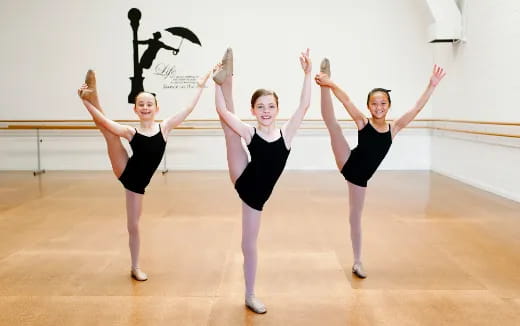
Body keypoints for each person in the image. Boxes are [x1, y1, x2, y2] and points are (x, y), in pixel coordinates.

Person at [315, 60, 446, 279]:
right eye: (374, 104)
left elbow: (416, 108)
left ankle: (357, 262)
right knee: (333, 125)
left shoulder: (393, 129)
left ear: (388, 105)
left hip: (360, 179)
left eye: (383, 103)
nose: (378, 107)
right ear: (368, 106)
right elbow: (346, 100)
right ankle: (322, 85)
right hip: (348, 161)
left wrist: (431, 85)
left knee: (355, 217)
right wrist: (330, 83)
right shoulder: (363, 123)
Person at [78, 69, 210, 281]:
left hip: (140, 183)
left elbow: (188, 108)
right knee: (110, 134)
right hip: (127, 174)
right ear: (135, 109)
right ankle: (136, 266)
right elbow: (105, 122)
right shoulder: (131, 132)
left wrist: (200, 85)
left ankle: (92, 96)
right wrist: (85, 103)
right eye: (141, 104)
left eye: (149, 104)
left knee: (134, 225)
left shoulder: (165, 128)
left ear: (157, 108)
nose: (146, 107)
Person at [213, 48, 312, 313]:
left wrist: (308, 73)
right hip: (244, 182)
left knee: (248, 244)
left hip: (258, 195)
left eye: (270, 106)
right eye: (260, 107)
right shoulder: (250, 132)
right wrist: (215, 82)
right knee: (230, 132)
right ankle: (226, 77)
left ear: (278, 109)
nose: (266, 111)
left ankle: (226, 77)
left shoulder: (286, 134)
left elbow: (304, 105)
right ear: (253, 111)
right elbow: (222, 111)